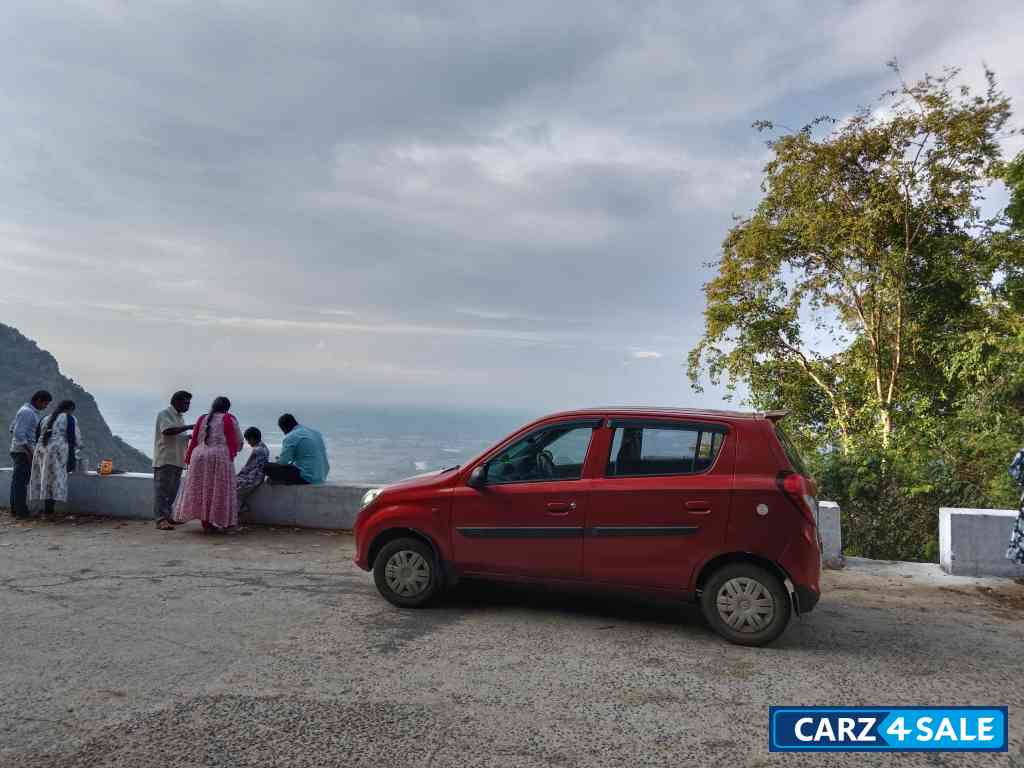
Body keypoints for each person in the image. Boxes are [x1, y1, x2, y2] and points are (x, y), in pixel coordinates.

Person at [173, 396, 243, 533]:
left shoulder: (202, 418)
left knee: (203, 490)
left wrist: (188, 459)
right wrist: (234, 450)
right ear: (227, 408)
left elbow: (194, 440)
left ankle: (206, 524)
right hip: (219, 457)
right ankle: (225, 523)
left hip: (199, 456)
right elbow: (238, 440)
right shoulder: (229, 419)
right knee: (220, 490)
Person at [28, 400, 82, 517]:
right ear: (70, 409)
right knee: (55, 480)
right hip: (58, 452)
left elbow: (37, 436)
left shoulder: (46, 418)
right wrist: (76, 449)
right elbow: (75, 439)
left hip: (41, 451)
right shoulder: (69, 418)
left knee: (45, 479)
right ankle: (49, 510)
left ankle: (48, 509)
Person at [153, 391, 194, 531]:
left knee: (172, 492)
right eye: (186, 402)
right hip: (166, 459)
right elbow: (167, 431)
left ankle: (168, 516)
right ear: (176, 402)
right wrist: (188, 427)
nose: (188, 406)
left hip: (177, 460)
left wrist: (189, 437)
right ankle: (160, 520)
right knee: (162, 492)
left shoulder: (180, 418)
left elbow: (177, 435)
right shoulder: (164, 414)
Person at [8, 390, 52, 519]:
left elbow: (12, 428)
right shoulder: (27, 413)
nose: (46, 407)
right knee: (21, 482)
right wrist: (29, 451)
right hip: (22, 452)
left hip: (19, 450)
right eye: (45, 404)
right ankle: (22, 512)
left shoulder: (25, 411)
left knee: (17, 482)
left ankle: (16, 509)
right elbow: (18, 433)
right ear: (38, 400)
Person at [263, 414, 329, 485]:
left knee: (266, 466)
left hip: (307, 478)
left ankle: (280, 481)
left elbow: (283, 462)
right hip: (322, 476)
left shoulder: (290, 436)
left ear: (284, 428)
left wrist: (277, 462)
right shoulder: (316, 433)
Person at [236, 426, 269, 516]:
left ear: (252, 438)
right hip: (258, 477)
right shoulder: (264, 447)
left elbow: (248, 467)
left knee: (232, 487)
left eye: (248, 440)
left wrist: (237, 475)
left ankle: (241, 509)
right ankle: (241, 508)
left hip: (254, 478)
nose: (248, 442)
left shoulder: (257, 450)